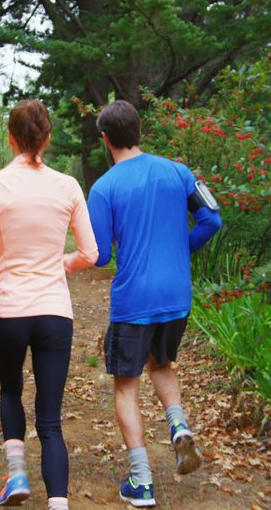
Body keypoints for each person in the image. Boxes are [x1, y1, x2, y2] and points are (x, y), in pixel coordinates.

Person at [87, 100, 222, 507]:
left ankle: (141, 482)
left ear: (106, 139)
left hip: (135, 300)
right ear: (138, 131)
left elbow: (100, 257)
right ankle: (179, 428)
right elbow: (213, 218)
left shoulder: (104, 187)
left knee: (126, 388)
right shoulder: (179, 172)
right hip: (177, 297)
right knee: (162, 364)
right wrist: (181, 249)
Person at [0, 99, 99, 510]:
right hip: (54, 312)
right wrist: (62, 262)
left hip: (6, 310)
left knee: (10, 389)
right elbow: (90, 253)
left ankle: (17, 474)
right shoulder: (68, 187)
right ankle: (58, 502)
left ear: (10, 138)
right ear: (48, 138)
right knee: (51, 419)